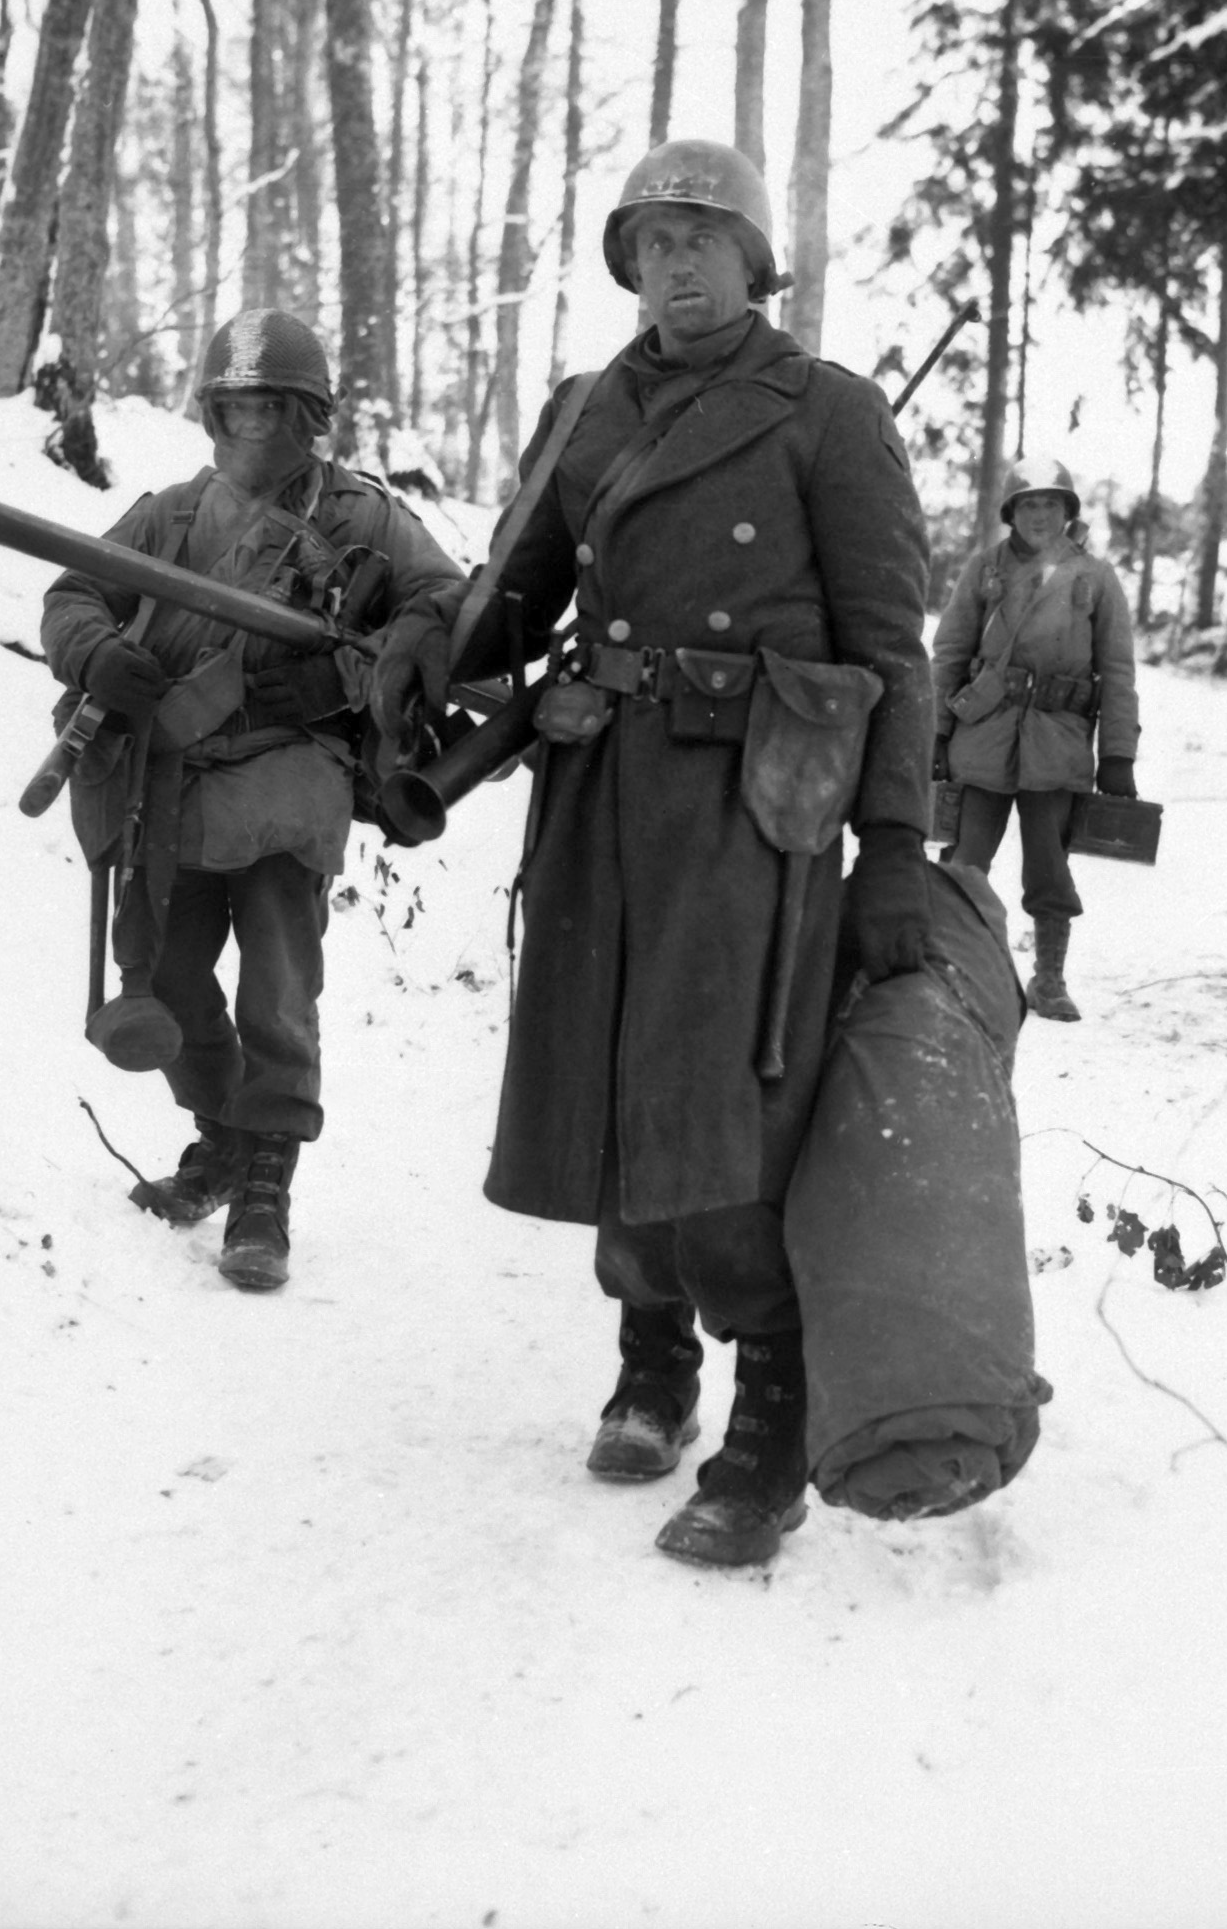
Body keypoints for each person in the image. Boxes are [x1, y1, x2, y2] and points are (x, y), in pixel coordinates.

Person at [372, 137, 937, 1568]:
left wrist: (896, 851)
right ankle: (652, 1359)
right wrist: (408, 641)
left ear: (757, 260)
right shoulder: (584, 413)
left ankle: (773, 1413)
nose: (678, 261)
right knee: (607, 1082)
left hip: (761, 808)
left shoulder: (826, 412)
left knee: (725, 1098)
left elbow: (890, 650)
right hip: (599, 787)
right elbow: (510, 603)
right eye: (653, 240)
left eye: (705, 236)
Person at [42, 308, 464, 1291]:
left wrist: (375, 660)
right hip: (172, 789)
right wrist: (99, 652)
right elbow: (73, 594)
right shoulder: (171, 515)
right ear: (210, 415)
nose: (253, 431)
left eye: (273, 410)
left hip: (290, 784)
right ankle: (223, 1137)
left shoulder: (365, 519)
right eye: (235, 410)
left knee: (277, 990)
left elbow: (443, 603)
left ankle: (266, 1181)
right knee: (170, 983)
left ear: (310, 417)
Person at [929, 456, 1140, 1023]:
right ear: (1011, 512)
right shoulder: (984, 570)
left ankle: (1048, 980)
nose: (1040, 514)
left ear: (1069, 512)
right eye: (1029, 504)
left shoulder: (1096, 578)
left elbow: (1118, 672)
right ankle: (955, 974)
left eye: (1051, 503)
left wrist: (1118, 754)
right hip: (983, 737)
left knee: (1049, 867)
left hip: (1057, 742)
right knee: (965, 863)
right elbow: (948, 654)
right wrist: (934, 733)